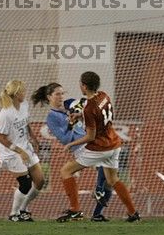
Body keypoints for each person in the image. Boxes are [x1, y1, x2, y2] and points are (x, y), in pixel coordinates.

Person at [57, 72, 140, 223]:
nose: (80, 86)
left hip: (100, 148)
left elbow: (90, 137)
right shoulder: (104, 95)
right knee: (113, 179)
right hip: (114, 143)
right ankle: (133, 213)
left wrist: (71, 144)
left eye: (81, 84)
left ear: (84, 86)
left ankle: (75, 210)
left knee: (65, 171)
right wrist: (80, 116)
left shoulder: (89, 108)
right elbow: (98, 115)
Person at [31, 82, 112, 222]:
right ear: (49, 97)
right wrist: (70, 124)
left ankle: (84, 211)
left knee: (108, 178)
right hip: (81, 147)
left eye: (62, 93)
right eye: (57, 94)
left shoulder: (70, 105)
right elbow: (64, 139)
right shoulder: (52, 117)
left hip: (91, 141)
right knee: (102, 174)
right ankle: (84, 209)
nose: (61, 96)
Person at [0, 80, 45, 222]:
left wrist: (34, 138)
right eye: (23, 91)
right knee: (25, 183)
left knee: (40, 181)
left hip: (25, 146)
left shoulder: (24, 105)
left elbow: (26, 122)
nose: (25, 93)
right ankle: (13, 213)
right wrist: (19, 151)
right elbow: (1, 138)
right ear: (16, 93)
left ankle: (23, 209)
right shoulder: (5, 113)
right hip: (10, 151)